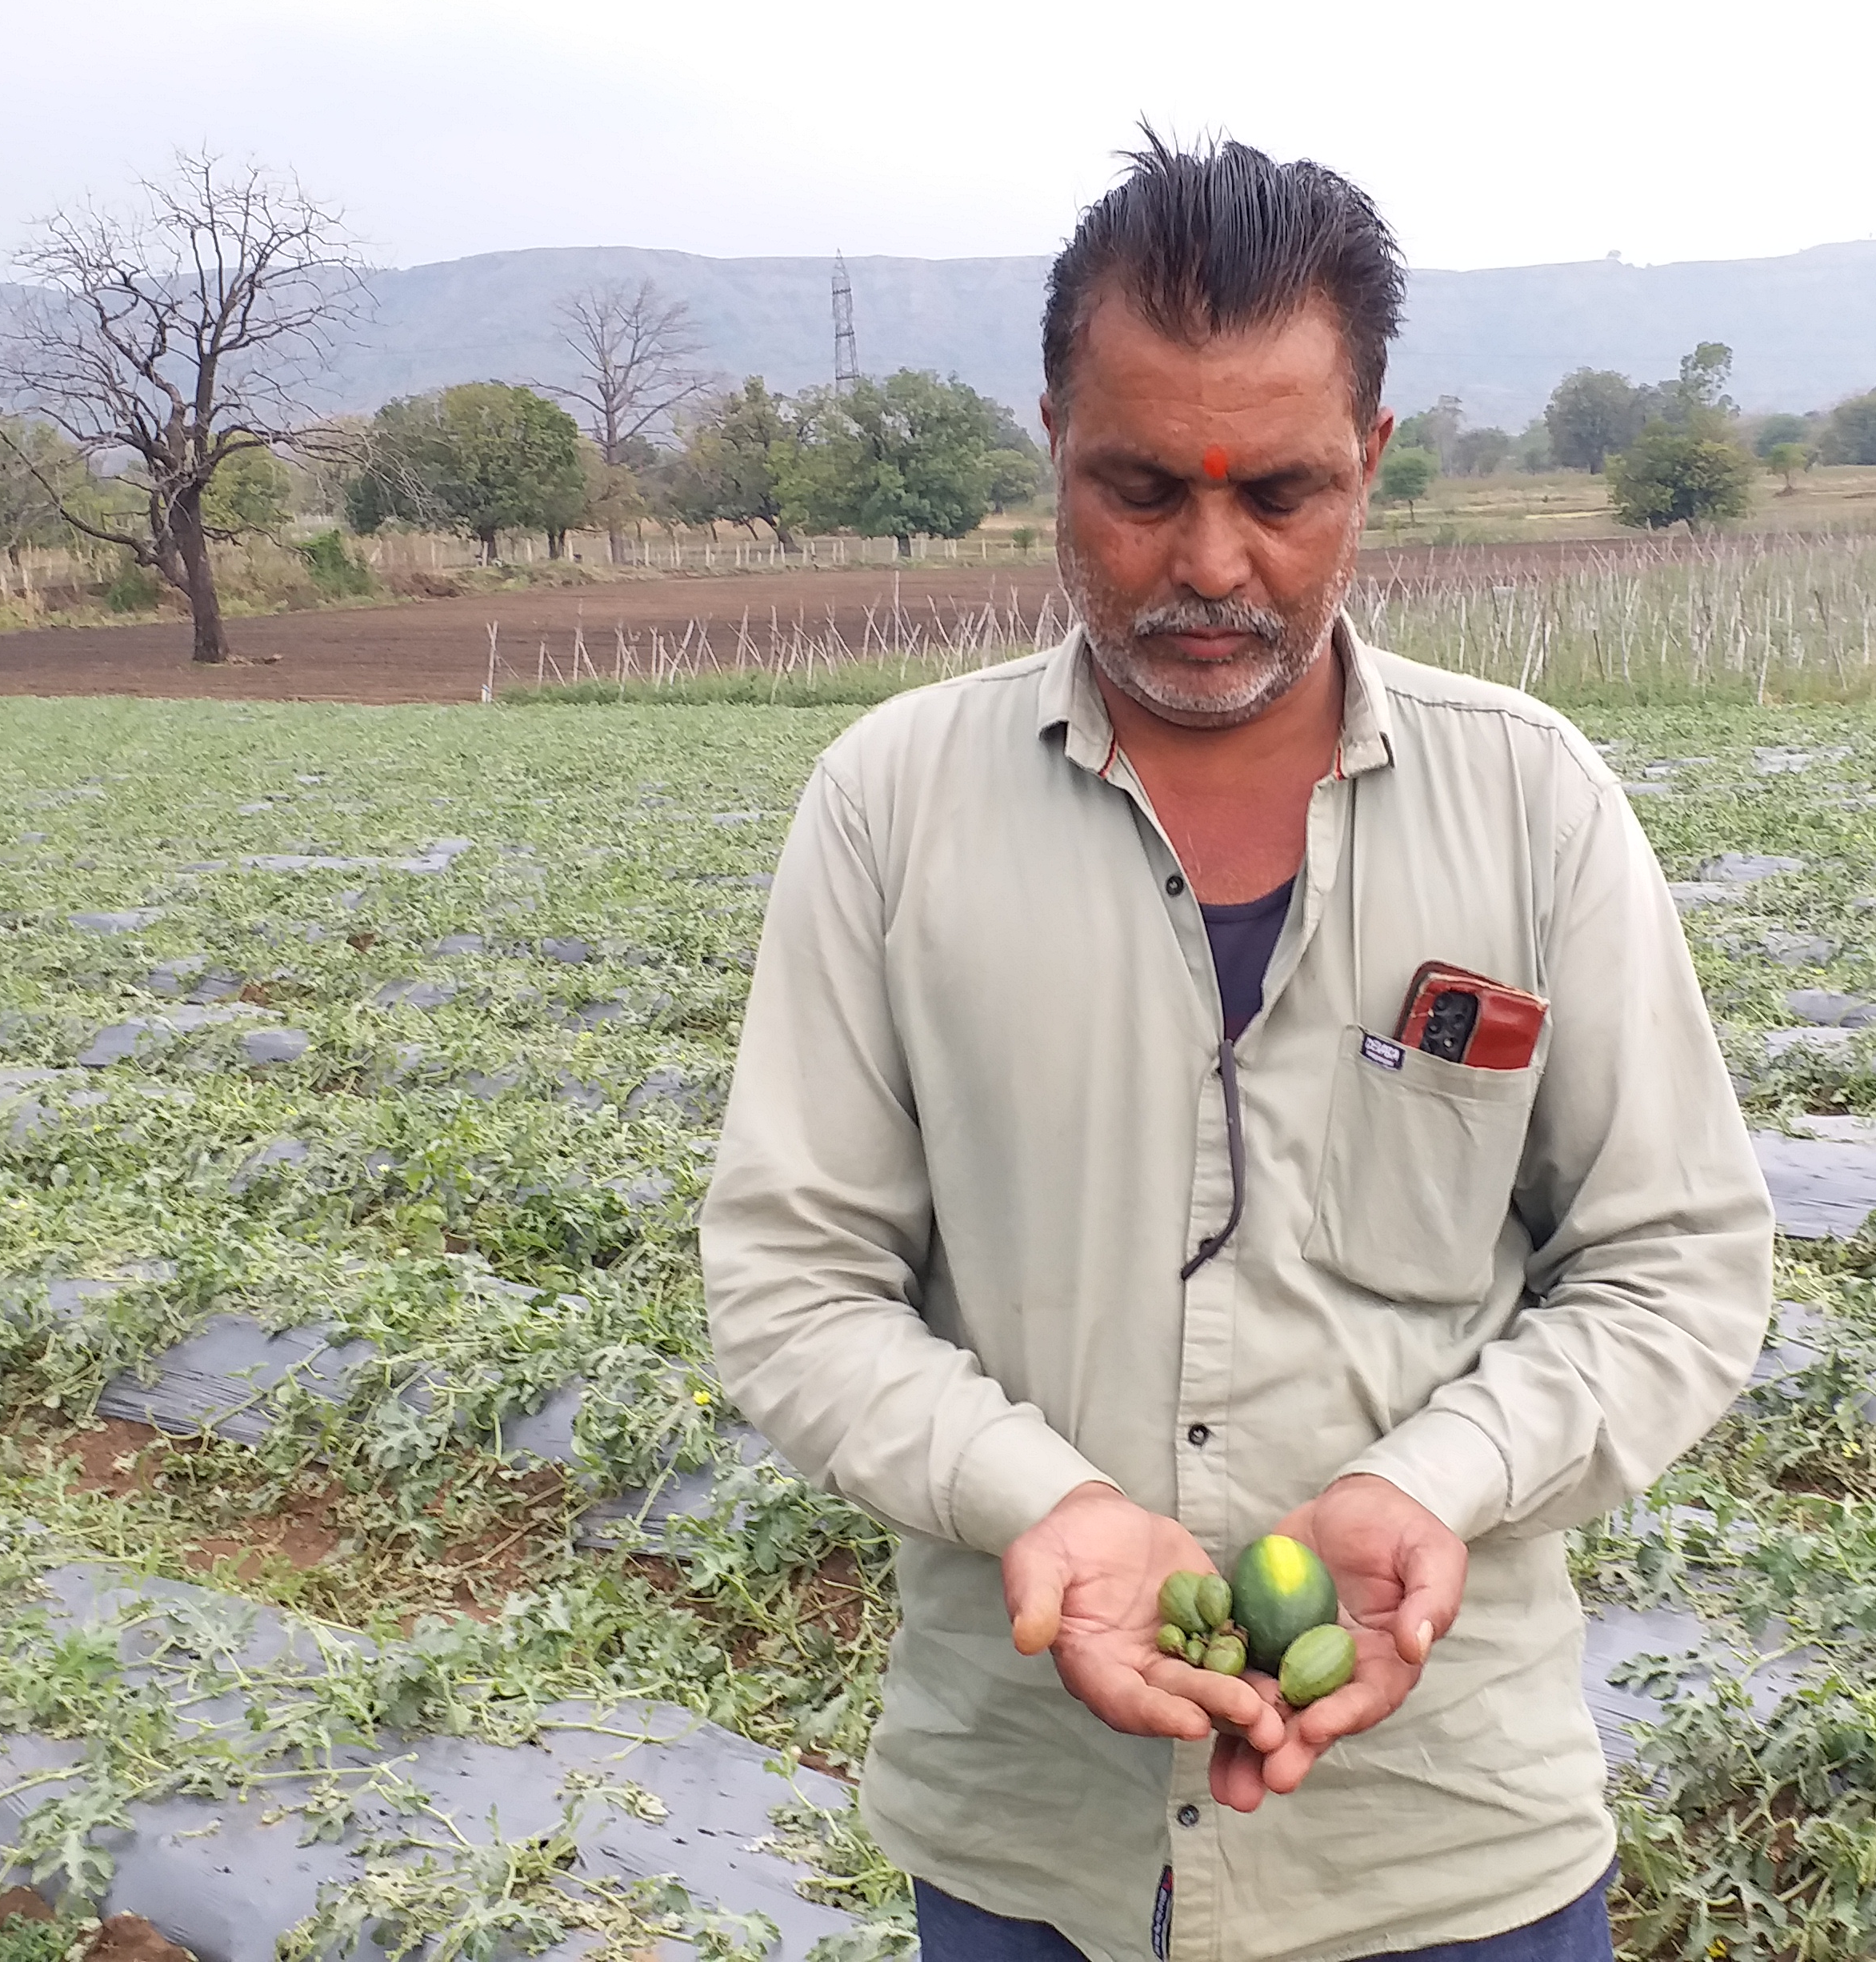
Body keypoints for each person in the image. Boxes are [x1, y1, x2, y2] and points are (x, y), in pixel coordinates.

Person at [702, 134, 1772, 1962]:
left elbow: (1675, 1265)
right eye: (1138, 487)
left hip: (1445, 1846)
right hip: (1036, 1846)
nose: (1211, 562)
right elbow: (797, 1283)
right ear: (1050, 431)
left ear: (1369, 456)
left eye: (1279, 491)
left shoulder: (1530, 804)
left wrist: (1423, 1487)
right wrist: (1044, 1505)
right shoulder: (892, 807)